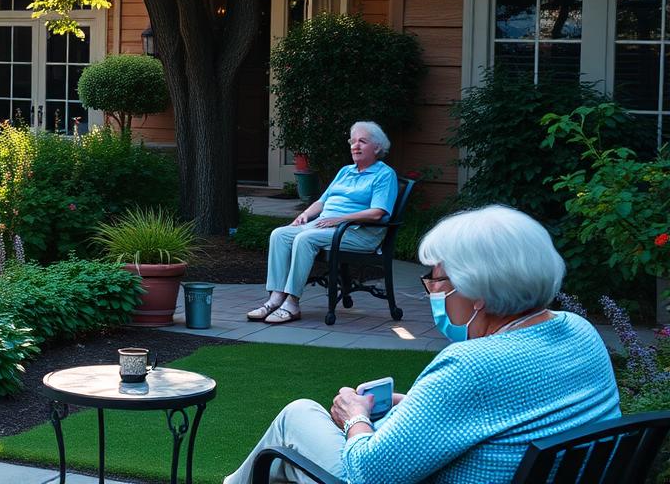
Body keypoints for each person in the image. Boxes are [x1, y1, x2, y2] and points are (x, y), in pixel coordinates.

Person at [223, 205, 620, 484]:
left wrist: (355, 418)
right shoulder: (580, 331)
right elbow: (514, 407)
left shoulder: (470, 364)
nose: (433, 291)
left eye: (438, 281)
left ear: (476, 293)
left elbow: (367, 475)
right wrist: (417, 403)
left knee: (299, 414)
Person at [247, 121, 398, 324]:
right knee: (280, 234)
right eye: (353, 141)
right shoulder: (346, 171)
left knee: (305, 239)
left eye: (362, 141)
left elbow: (377, 213)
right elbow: (322, 201)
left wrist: (339, 219)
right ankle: (275, 298)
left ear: (377, 147)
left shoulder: (384, 175)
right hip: (327, 226)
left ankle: (292, 303)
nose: (355, 146)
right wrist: (304, 216)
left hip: (358, 233)